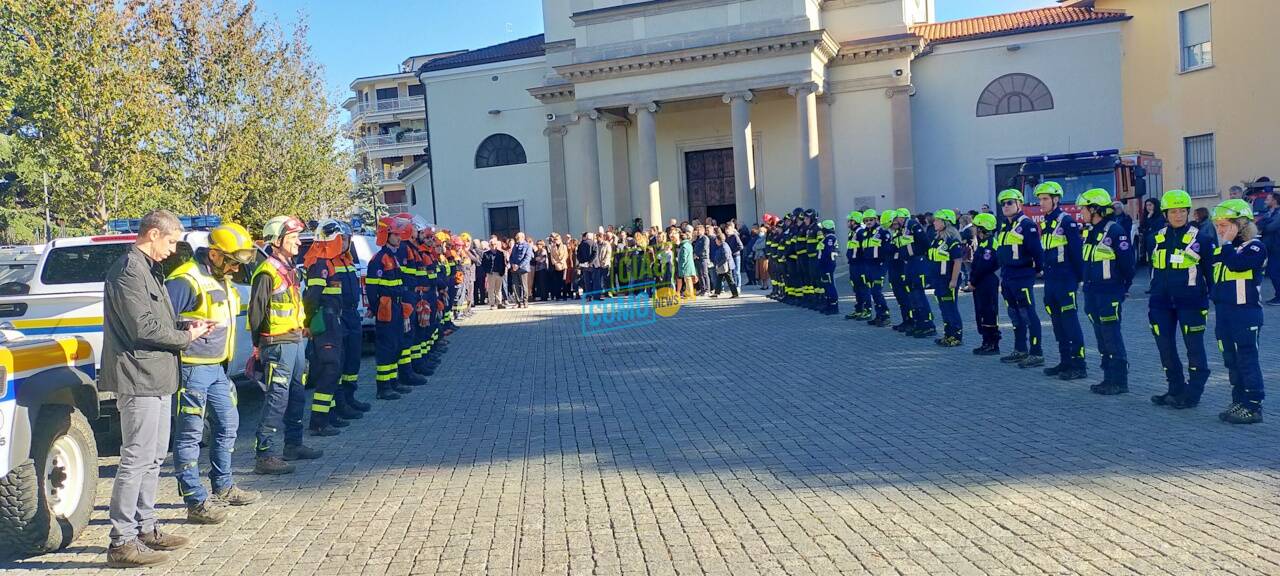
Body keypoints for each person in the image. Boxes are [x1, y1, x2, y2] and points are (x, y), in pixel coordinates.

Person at [102, 210, 211, 568]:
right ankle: (121, 540)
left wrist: (185, 323)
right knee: (136, 457)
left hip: (158, 376)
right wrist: (186, 337)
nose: (173, 249)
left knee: (153, 457)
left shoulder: (149, 268)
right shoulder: (128, 270)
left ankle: (147, 527)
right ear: (152, 234)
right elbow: (142, 329)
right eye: (171, 241)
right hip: (139, 377)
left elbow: (157, 320)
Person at [165, 222, 260, 526]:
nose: (235, 269)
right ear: (216, 254)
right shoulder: (186, 279)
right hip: (192, 365)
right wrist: (187, 330)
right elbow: (161, 323)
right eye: (232, 261)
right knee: (191, 434)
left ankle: (223, 485)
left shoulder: (219, 277)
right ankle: (195, 500)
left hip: (218, 367)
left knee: (228, 422)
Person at [249, 215, 323, 474]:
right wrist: (257, 345)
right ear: (276, 241)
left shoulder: (289, 268)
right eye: (292, 239)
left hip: (295, 340)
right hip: (277, 343)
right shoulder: (267, 271)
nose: (298, 243)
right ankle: (265, 455)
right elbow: (256, 312)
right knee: (277, 398)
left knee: (297, 393)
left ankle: (293, 444)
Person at [1147, 190, 1216, 410]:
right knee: (1165, 347)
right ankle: (1174, 388)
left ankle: (1193, 393)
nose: (1178, 215)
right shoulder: (1156, 238)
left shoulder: (1202, 239)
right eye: (1173, 211)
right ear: (1165, 214)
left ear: (1188, 213)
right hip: (1161, 302)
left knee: (1194, 349)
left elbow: (1210, 274)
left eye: (1183, 211)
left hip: (1192, 302)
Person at [1210, 199, 1267, 423]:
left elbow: (1237, 265)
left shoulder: (1254, 247)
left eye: (1225, 225)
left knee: (1247, 358)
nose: (1220, 230)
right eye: (1218, 226)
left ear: (1240, 224)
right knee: (1231, 359)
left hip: (1245, 313)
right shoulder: (1226, 249)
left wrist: (1226, 244)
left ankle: (1253, 406)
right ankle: (1239, 399)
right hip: (1224, 312)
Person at [1078, 188, 1136, 395]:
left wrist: (1122, 289)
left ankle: (1119, 380)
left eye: (1084, 208)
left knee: (1111, 335)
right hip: (1092, 293)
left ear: (1095, 209)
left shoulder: (1115, 231)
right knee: (1101, 336)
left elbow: (1128, 264)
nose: (1081, 212)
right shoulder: (1090, 231)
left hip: (1108, 293)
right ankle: (1108, 377)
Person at [301, 219, 351, 438]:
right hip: (325, 323)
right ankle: (319, 422)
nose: (341, 244)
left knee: (334, 369)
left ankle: (328, 416)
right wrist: (308, 322)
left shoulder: (328, 263)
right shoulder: (320, 265)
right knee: (329, 369)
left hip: (333, 321)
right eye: (338, 240)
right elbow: (312, 298)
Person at [1035, 182, 1087, 381]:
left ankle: (1078, 365)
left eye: (1045, 199)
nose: (1042, 203)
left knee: (1070, 323)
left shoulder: (1067, 222)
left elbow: (1076, 253)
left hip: (1065, 280)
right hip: (1051, 280)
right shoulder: (1047, 223)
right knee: (1057, 323)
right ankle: (1065, 361)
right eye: (1040, 199)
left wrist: (1077, 279)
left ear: (1056, 200)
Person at [994, 189, 1044, 368]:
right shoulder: (1005, 226)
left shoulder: (1027, 225)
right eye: (1003, 203)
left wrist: (1037, 271)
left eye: (1009, 202)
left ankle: (1036, 352)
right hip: (1007, 277)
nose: (1005, 206)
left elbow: (1037, 252)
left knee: (1028, 314)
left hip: (1022, 276)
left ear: (1019, 204)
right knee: (1014, 315)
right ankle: (1020, 349)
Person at [367, 217, 412, 401]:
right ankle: (383, 387)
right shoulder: (379, 259)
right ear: (386, 236)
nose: (399, 238)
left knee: (396, 345)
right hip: (386, 309)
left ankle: (393, 382)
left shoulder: (393, 257)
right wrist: (378, 309)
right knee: (386, 348)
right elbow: (372, 288)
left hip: (396, 306)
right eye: (395, 234)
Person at [335, 223, 371, 419]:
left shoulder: (348, 261)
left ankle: (350, 397)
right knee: (340, 362)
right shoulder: (328, 263)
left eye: (346, 240)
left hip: (351, 314)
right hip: (339, 316)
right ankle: (340, 403)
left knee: (353, 359)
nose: (343, 243)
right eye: (340, 239)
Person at [928, 210, 964, 346]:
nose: (934, 222)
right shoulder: (936, 240)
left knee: (951, 308)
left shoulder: (952, 241)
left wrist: (954, 280)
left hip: (948, 280)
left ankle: (956, 336)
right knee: (944, 308)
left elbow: (958, 261)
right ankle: (948, 334)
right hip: (938, 281)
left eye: (937, 220)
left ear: (946, 222)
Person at [969, 213, 1002, 354]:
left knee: (989, 311)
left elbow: (984, 266)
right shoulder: (983, 243)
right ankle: (985, 341)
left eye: (976, 227)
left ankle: (992, 344)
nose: (974, 230)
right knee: (982, 311)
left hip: (987, 282)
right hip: (981, 282)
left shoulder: (989, 244)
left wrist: (973, 281)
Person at [904, 210, 935, 337]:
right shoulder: (904, 229)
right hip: (910, 264)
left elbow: (925, 243)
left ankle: (927, 325)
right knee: (913, 296)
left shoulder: (912, 225)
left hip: (918, 263)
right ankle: (919, 323)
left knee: (918, 295)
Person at [859, 210, 892, 326]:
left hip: (879, 265)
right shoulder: (865, 233)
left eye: (871, 220)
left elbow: (887, 249)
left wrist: (883, 262)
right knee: (872, 291)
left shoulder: (882, 232)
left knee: (876, 290)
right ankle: (878, 315)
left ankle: (885, 315)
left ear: (876, 220)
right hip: (868, 266)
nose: (868, 222)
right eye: (866, 220)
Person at [1257, 192, 1280, 305]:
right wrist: (1263, 224)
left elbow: (1270, 228)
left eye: (1268, 199)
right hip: (1269, 248)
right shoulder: (1268, 213)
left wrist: (1263, 225)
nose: (1265, 200)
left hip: (1277, 248)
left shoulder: (1278, 214)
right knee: (1273, 273)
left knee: (1275, 273)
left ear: (1274, 201)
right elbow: (1259, 224)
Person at [844, 211, 867, 320]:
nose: (848, 223)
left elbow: (864, 249)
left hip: (860, 264)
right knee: (856, 288)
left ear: (855, 221)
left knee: (863, 287)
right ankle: (859, 309)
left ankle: (867, 310)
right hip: (853, 264)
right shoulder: (852, 233)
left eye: (849, 221)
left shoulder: (860, 232)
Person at [1139, 198, 1166, 267]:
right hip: (1147, 242)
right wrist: (1148, 218)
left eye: (1150, 205)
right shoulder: (1146, 216)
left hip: (1157, 242)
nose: (1148, 207)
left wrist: (1149, 219)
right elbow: (1142, 227)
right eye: (1147, 205)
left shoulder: (1160, 216)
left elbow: (1157, 229)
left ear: (1155, 205)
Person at [509, 232, 532, 307]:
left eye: (518, 238)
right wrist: (512, 264)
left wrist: (519, 266)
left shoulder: (527, 246)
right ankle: (517, 302)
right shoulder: (515, 246)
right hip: (514, 269)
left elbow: (527, 258)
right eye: (516, 238)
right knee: (515, 286)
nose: (517, 239)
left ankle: (525, 301)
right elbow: (511, 256)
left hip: (523, 269)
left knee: (524, 285)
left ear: (522, 237)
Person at [483, 240, 507, 309]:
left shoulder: (500, 253)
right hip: (491, 273)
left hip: (499, 273)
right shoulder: (486, 254)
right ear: (489, 245)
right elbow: (483, 264)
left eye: (495, 244)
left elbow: (503, 263)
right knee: (491, 289)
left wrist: (502, 272)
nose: (493, 246)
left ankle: (499, 303)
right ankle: (492, 304)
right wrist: (487, 271)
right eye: (492, 244)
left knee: (498, 289)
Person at [676, 230, 696, 299]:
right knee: (688, 279)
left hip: (686, 265)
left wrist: (682, 265)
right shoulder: (689, 244)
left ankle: (690, 294)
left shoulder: (684, 246)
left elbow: (684, 257)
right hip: (689, 264)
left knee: (688, 279)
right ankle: (688, 293)